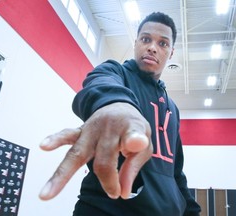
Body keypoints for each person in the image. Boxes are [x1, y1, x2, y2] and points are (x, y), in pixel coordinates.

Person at [39, 12, 201, 216]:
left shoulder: (172, 108)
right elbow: (100, 82)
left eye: (163, 43)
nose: (152, 47)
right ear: (135, 43)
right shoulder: (116, 72)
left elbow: (176, 173)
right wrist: (116, 104)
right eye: (146, 39)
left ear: (170, 52)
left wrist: (192, 210)